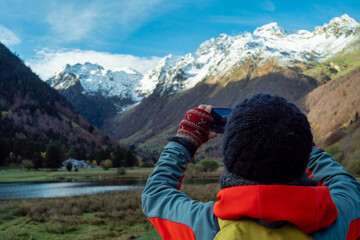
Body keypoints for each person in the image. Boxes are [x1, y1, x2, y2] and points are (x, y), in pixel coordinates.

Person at [142, 93, 360, 240]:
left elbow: (155, 195)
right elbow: (346, 184)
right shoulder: (337, 221)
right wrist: (296, 138)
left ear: (232, 156)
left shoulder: (206, 226)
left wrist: (185, 139)